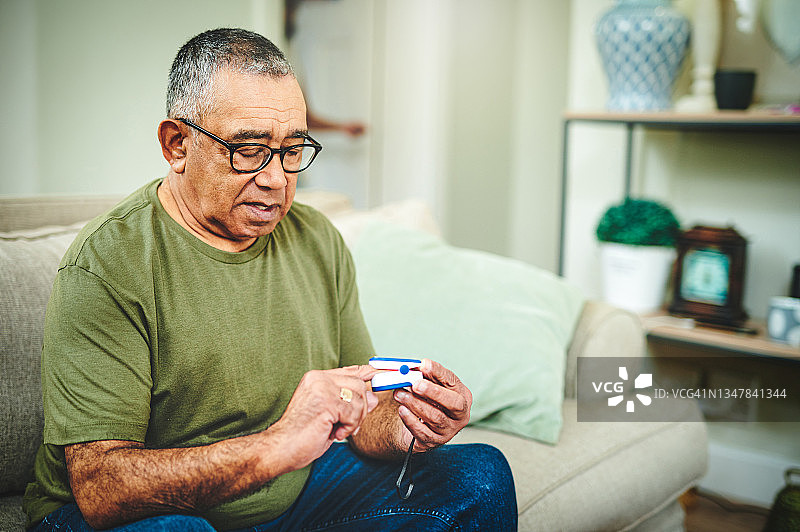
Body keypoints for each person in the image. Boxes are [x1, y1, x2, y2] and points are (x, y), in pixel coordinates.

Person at [22, 28, 516, 531]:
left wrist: (408, 426)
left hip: (292, 494)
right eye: (250, 149)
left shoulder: (317, 238)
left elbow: (361, 410)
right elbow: (102, 488)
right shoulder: (109, 262)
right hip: (145, 513)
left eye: (292, 149)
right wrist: (279, 444)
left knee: (479, 476)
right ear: (177, 145)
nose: (277, 178)